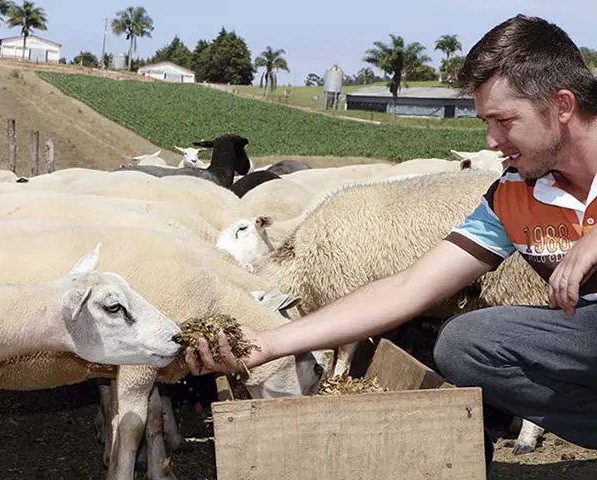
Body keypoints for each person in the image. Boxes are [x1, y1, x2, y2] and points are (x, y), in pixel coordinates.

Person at [186, 13, 597, 458]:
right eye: (485, 122)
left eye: (504, 120)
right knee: (466, 343)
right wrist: (267, 343)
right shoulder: (514, 196)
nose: (491, 140)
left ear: (561, 105)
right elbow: (406, 288)